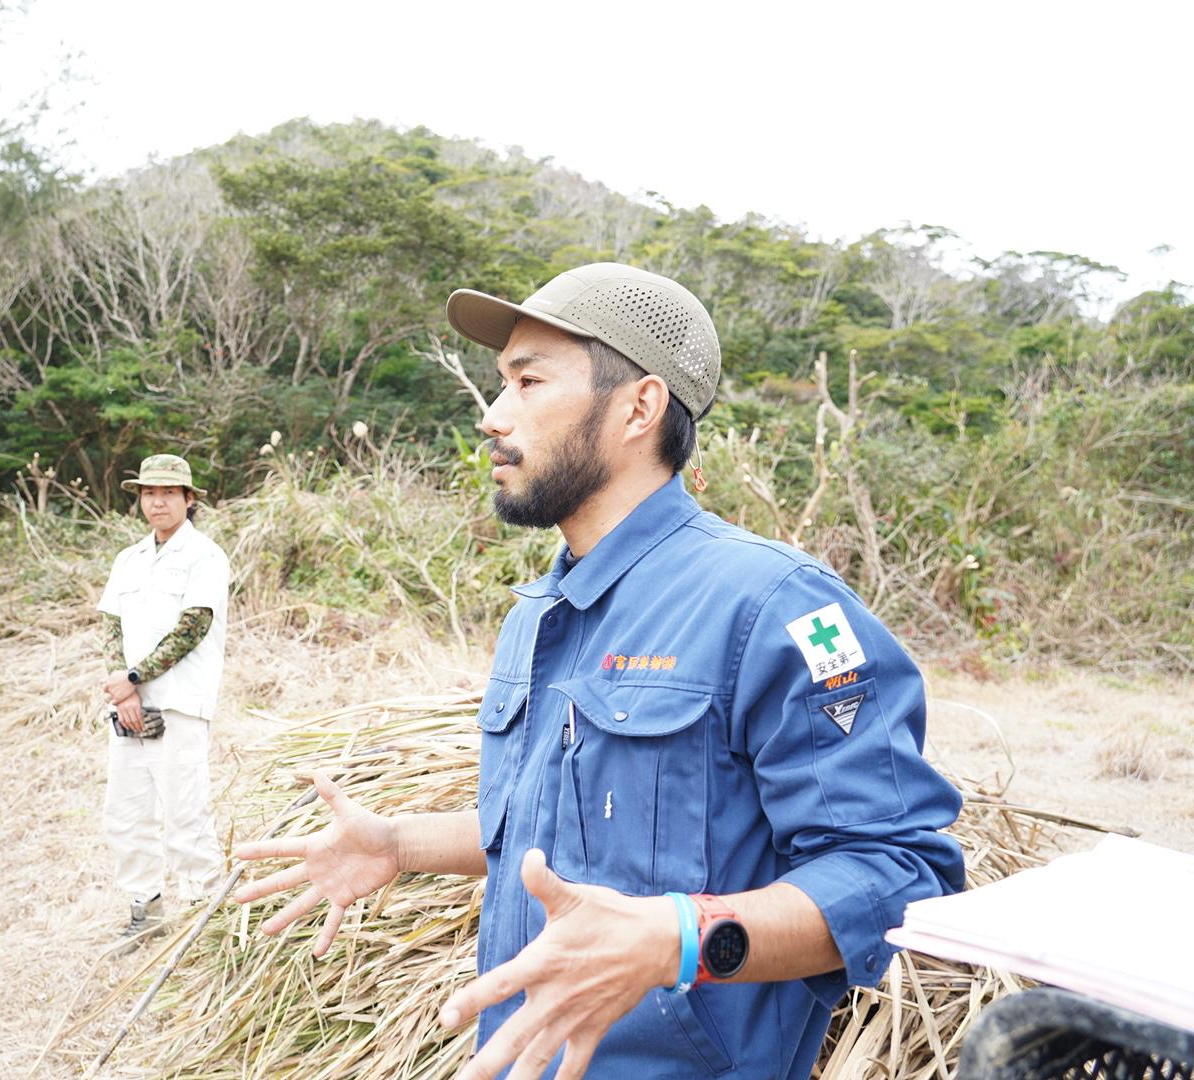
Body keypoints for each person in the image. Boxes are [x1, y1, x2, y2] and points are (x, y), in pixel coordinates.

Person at [233, 264, 965, 1079]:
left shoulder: (777, 607)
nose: (492, 416)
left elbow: (896, 873)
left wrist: (676, 941)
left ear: (639, 408)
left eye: (528, 380)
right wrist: (397, 843)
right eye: (497, 382)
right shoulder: (539, 612)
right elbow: (560, 829)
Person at [97, 453, 230, 932]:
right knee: (125, 813)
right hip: (129, 704)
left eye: (169, 493)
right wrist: (123, 688)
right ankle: (145, 911)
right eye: (149, 493)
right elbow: (111, 625)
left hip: (179, 703)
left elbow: (193, 627)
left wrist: (132, 679)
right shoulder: (128, 560)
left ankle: (204, 922)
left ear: (189, 500)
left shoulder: (205, 557)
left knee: (185, 816)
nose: (158, 502)